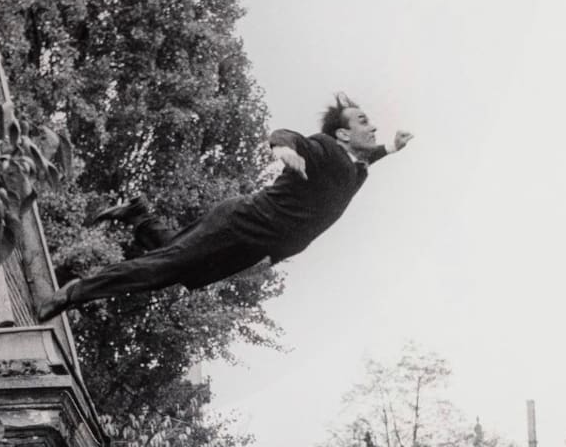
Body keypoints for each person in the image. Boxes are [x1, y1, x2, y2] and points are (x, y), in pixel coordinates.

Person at [36, 93, 414, 322]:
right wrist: (282, 148)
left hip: (255, 244)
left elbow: (365, 161)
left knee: (175, 258)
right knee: (165, 268)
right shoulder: (327, 150)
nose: (374, 127)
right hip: (241, 223)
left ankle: (137, 214)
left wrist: (392, 148)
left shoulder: (356, 169)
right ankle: (74, 292)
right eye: (364, 122)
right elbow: (292, 137)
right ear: (344, 134)